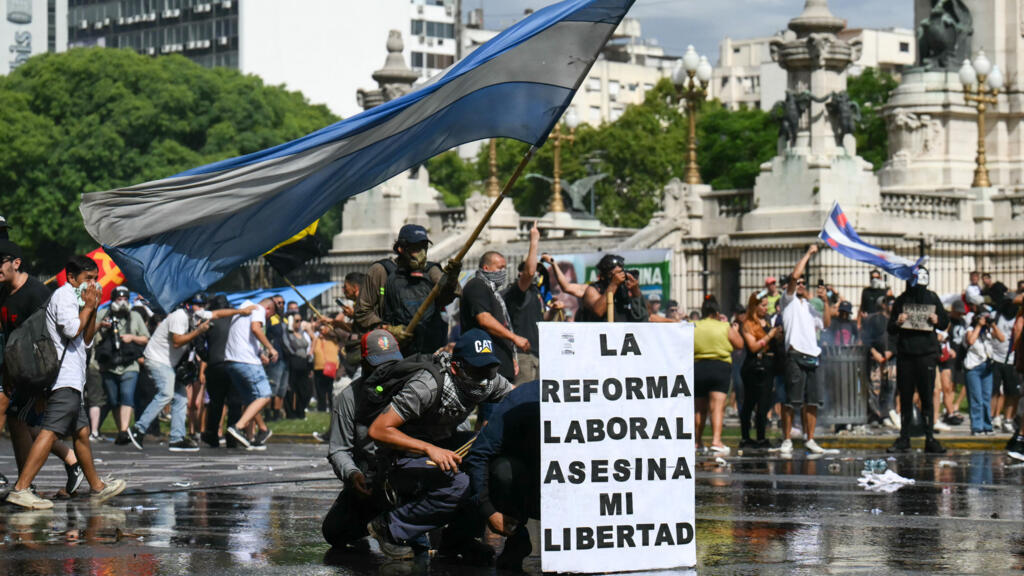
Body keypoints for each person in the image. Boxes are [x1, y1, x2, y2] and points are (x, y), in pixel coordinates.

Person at [366, 328, 514, 562]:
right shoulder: (428, 386)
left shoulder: (488, 381)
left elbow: (517, 398)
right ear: (457, 367)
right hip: (401, 456)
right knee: (462, 483)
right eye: (477, 371)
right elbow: (378, 430)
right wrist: (428, 449)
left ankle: (458, 540)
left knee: (491, 469)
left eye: (490, 369)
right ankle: (390, 527)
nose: (484, 379)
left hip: (443, 444)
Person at [5, 255, 126, 509]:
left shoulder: (82, 300)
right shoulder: (64, 296)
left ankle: (97, 487)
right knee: (50, 432)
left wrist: (92, 307)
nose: (92, 284)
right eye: (87, 279)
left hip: (74, 378)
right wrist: (87, 307)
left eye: (95, 279)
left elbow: (88, 338)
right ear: (72, 278)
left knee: (81, 433)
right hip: (62, 378)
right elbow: (72, 330)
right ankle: (22, 488)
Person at [0, 240, 82, 495]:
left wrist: (46, 382)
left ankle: (27, 485)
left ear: (16, 263)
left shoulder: (37, 293)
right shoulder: (3, 292)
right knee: (21, 423)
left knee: (23, 421)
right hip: (16, 369)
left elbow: (53, 337)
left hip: (39, 370)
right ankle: (70, 464)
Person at [129, 294, 249, 452]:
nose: (199, 308)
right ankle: (138, 429)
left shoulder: (196, 314)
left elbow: (218, 313)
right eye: (196, 305)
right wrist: (199, 330)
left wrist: (240, 311)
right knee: (166, 393)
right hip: (158, 359)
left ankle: (177, 439)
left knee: (181, 398)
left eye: (202, 305)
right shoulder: (179, 316)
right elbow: (177, 341)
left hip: (171, 362)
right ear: (187, 304)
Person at [321, 328, 402, 549]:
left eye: (392, 364)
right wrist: (352, 473)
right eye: (379, 365)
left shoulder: (413, 387)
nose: (386, 371)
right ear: (365, 364)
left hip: (408, 475)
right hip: (371, 478)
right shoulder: (348, 397)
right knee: (334, 531)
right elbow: (338, 449)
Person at [462, 378, 541, 571]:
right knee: (502, 469)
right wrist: (490, 511)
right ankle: (516, 538)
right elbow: (479, 454)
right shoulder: (525, 396)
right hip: (530, 486)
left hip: (580, 492)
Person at [354, 224, 460, 355]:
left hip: (428, 351)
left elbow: (445, 298)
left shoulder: (431, 271)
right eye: (415, 248)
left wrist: (451, 279)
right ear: (401, 249)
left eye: (424, 247)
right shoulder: (381, 271)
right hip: (391, 351)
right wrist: (388, 329)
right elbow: (362, 313)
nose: (421, 253)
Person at [887, 266, 950, 453]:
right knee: (905, 397)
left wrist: (937, 319)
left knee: (927, 397)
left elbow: (945, 322)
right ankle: (904, 437)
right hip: (906, 356)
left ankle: (929, 437)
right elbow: (890, 328)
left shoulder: (932, 298)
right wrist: (898, 321)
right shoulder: (901, 300)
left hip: (927, 355)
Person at [779, 245, 832, 455]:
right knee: (792, 401)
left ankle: (809, 438)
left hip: (813, 355)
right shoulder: (788, 301)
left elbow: (825, 324)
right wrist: (809, 254)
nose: (801, 284)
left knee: (812, 402)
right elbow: (794, 275)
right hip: (795, 353)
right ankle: (787, 439)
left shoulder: (810, 306)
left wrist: (825, 301)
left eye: (803, 283)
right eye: (798, 283)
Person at [461, 250, 527, 384]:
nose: (503, 272)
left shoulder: (494, 294)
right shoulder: (477, 285)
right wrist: (514, 338)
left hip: (501, 367)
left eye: (505, 268)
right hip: (487, 367)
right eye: (500, 268)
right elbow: (484, 319)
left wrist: (510, 356)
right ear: (486, 268)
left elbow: (501, 324)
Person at [94, 286, 149, 445]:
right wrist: (102, 327)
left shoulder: (135, 316)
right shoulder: (103, 315)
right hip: (108, 364)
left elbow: (145, 338)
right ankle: (121, 431)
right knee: (113, 399)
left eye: (126, 299)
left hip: (129, 364)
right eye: (119, 299)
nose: (123, 303)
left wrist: (132, 337)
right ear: (113, 300)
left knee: (126, 395)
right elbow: (91, 334)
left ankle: (124, 430)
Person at [224, 298, 279, 449]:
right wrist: (270, 348)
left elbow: (244, 337)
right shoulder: (259, 309)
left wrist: (260, 352)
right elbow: (255, 328)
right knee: (265, 395)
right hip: (246, 361)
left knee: (251, 399)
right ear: (269, 309)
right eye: (269, 316)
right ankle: (238, 427)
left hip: (231, 361)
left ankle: (259, 431)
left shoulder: (243, 309)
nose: (266, 320)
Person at [693, 297, 743, 455]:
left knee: (699, 409)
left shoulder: (694, 326)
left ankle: (697, 442)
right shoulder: (725, 326)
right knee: (717, 407)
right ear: (716, 312)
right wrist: (733, 329)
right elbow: (740, 344)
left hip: (698, 366)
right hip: (720, 367)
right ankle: (716, 441)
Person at [199, 294, 246, 449]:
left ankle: (212, 434)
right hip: (235, 363)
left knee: (216, 403)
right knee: (235, 403)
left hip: (216, 364)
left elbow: (199, 342)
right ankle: (233, 435)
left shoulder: (210, 319)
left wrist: (207, 356)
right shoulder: (237, 318)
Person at [739, 291, 780, 450]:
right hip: (753, 366)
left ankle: (761, 437)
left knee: (764, 403)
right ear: (754, 306)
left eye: (766, 305)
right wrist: (769, 336)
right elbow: (753, 347)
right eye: (762, 305)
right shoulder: (748, 324)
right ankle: (746, 437)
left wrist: (777, 336)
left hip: (768, 365)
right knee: (750, 401)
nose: (766, 308)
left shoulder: (768, 322)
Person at [962, 305, 1003, 436]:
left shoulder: (988, 331)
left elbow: (1002, 339)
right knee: (976, 399)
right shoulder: (970, 329)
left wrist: (993, 326)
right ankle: (976, 427)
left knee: (986, 398)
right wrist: (979, 326)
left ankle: (987, 426)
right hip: (973, 367)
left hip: (987, 366)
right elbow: (971, 341)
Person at [577, 254, 648, 323]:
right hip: (601, 333)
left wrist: (635, 290)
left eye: (621, 272)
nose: (620, 277)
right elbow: (598, 311)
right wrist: (613, 284)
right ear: (603, 276)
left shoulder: (624, 288)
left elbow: (642, 316)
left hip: (622, 332)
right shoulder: (594, 289)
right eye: (616, 274)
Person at [991, 298, 1019, 433]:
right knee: (994, 391)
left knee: (1012, 392)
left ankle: (1007, 419)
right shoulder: (996, 316)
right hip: (995, 358)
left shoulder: (1018, 319)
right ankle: (993, 417)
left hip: (1011, 359)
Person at [283, 312, 314, 418]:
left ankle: (300, 410)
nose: (299, 323)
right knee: (292, 390)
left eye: (300, 320)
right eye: (296, 321)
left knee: (306, 390)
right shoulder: (288, 334)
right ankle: (291, 413)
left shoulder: (302, 333)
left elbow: (313, 339)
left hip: (304, 363)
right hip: (294, 363)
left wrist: (310, 352)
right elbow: (289, 346)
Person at [264, 294, 289, 422]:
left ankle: (277, 414)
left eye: (283, 303)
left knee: (282, 389)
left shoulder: (285, 320)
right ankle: (267, 414)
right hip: (275, 360)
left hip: (286, 359)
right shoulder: (270, 320)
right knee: (272, 388)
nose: (281, 305)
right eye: (279, 303)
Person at [312, 320, 341, 413]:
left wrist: (327, 328)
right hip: (319, 368)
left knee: (330, 389)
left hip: (331, 368)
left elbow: (337, 334)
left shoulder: (333, 340)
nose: (321, 331)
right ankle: (322, 408)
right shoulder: (316, 340)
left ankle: (332, 407)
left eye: (323, 329)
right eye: (320, 329)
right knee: (320, 390)